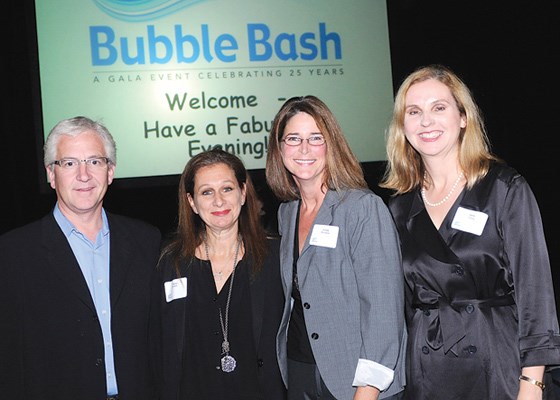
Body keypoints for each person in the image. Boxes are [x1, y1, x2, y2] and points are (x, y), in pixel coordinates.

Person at [380, 64, 560, 399]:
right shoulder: (399, 208)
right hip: (428, 370)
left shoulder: (504, 188)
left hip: (498, 363)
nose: (426, 121)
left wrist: (533, 383)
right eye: (414, 111)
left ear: (463, 117)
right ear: (403, 126)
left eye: (439, 108)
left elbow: (536, 293)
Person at [0, 116, 162, 400]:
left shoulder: (147, 242)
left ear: (110, 172)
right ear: (52, 174)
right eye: (70, 163)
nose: (84, 175)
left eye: (95, 162)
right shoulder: (13, 255)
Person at [266, 95, 407, 400]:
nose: (304, 149)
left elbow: (383, 310)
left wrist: (367, 390)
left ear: (331, 144)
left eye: (316, 138)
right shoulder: (287, 213)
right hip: (301, 372)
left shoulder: (362, 208)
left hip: (358, 381)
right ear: (279, 149)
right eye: (293, 138)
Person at [154, 148, 286, 400]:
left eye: (227, 188)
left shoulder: (276, 257)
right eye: (206, 192)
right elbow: (158, 345)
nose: (219, 201)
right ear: (191, 202)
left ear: (243, 193)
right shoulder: (170, 264)